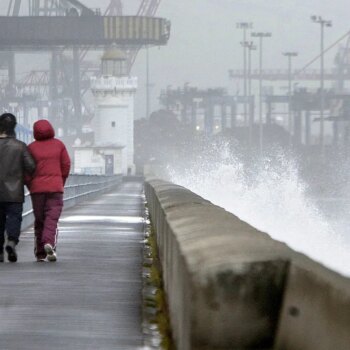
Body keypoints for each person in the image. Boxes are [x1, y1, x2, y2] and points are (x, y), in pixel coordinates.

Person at [26, 119, 70, 262]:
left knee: (39, 220)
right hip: (55, 189)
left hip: (37, 190)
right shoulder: (59, 145)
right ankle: (49, 243)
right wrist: (60, 182)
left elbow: (26, 170)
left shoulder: (31, 148)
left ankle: (40, 254)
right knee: (52, 218)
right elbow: (66, 165)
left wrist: (30, 184)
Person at [0, 113, 36, 263]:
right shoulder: (20, 146)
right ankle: (12, 242)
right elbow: (31, 166)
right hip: (15, 192)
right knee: (14, 218)